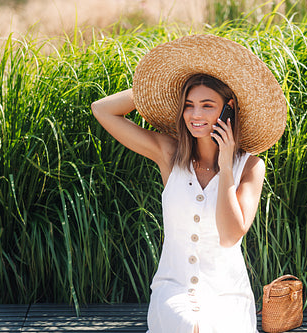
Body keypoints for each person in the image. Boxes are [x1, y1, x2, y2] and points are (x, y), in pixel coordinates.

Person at [91, 34, 287, 333]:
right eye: (189, 105)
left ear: (228, 107)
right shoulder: (169, 154)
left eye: (208, 105)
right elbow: (102, 109)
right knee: (188, 325)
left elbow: (230, 236)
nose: (195, 115)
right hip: (174, 289)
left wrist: (225, 167)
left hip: (227, 294)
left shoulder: (250, 166)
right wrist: (159, 86)